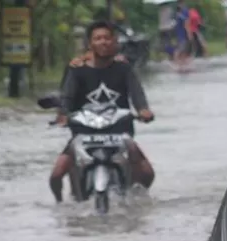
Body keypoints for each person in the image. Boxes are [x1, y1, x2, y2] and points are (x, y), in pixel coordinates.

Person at [49, 21, 156, 203]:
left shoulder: (124, 68)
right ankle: (60, 206)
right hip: (84, 133)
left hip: (119, 133)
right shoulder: (77, 70)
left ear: (115, 42)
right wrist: (62, 114)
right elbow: (66, 97)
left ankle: (137, 200)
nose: (103, 42)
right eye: (98, 38)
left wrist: (143, 110)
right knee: (56, 174)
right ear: (90, 43)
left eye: (107, 38)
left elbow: (137, 94)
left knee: (147, 173)